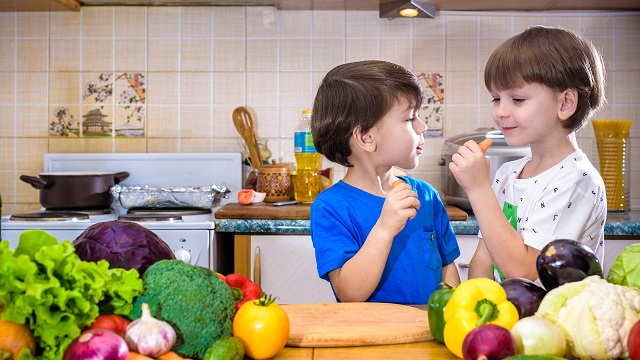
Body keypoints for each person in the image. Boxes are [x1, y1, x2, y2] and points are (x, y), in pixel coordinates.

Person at [449, 25, 607, 282]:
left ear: (565, 103)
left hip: (552, 321)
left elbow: (524, 271)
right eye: (496, 99)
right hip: (507, 318)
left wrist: (478, 188)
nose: (500, 111)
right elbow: (482, 262)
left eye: (517, 99)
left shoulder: (576, 181)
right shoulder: (507, 173)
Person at [309, 60, 461, 304]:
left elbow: (447, 269)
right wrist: (385, 228)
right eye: (410, 118)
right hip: (372, 337)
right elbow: (349, 293)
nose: (423, 126)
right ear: (366, 137)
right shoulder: (331, 207)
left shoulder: (426, 196)